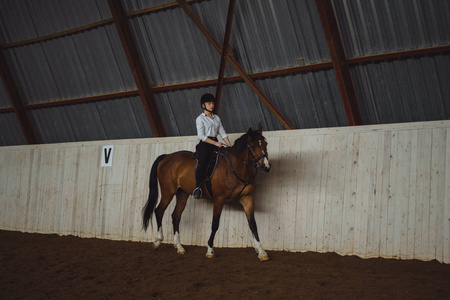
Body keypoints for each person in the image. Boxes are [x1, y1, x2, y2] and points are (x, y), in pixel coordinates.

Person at [193, 93, 232, 199]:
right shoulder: (200, 119)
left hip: (216, 142)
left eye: (213, 103)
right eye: (209, 103)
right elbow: (201, 135)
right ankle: (198, 187)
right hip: (205, 144)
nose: (212, 105)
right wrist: (215, 143)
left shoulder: (217, 118)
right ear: (203, 105)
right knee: (203, 161)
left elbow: (223, 133)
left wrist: (230, 147)